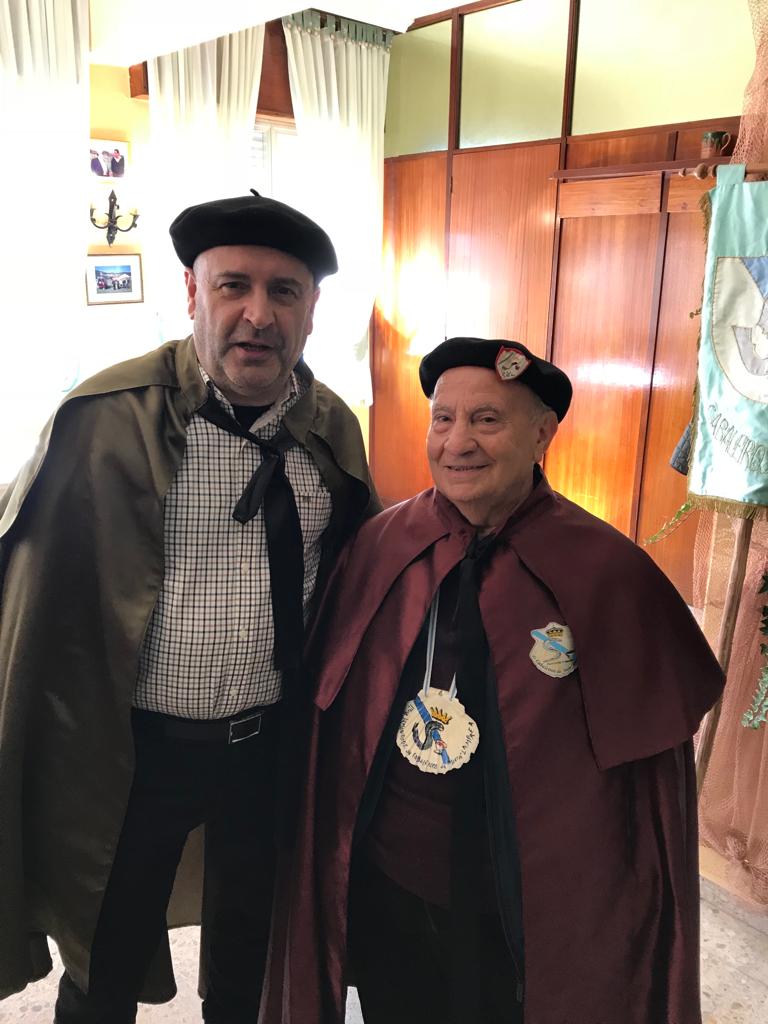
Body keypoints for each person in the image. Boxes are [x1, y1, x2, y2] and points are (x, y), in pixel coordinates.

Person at [260, 337, 725, 1024]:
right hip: (392, 884)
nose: (458, 443)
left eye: (487, 420)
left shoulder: (607, 573)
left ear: (542, 434)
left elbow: (646, 790)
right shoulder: (381, 546)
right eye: (443, 419)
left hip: (530, 909)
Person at [0, 192, 378, 1024]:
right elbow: (30, 588)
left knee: (253, 963)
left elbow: (356, 589)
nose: (259, 315)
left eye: (284, 291)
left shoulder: (331, 431)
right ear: (191, 294)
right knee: (104, 962)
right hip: (132, 756)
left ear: (312, 310)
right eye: (233, 285)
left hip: (270, 752)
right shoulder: (106, 419)